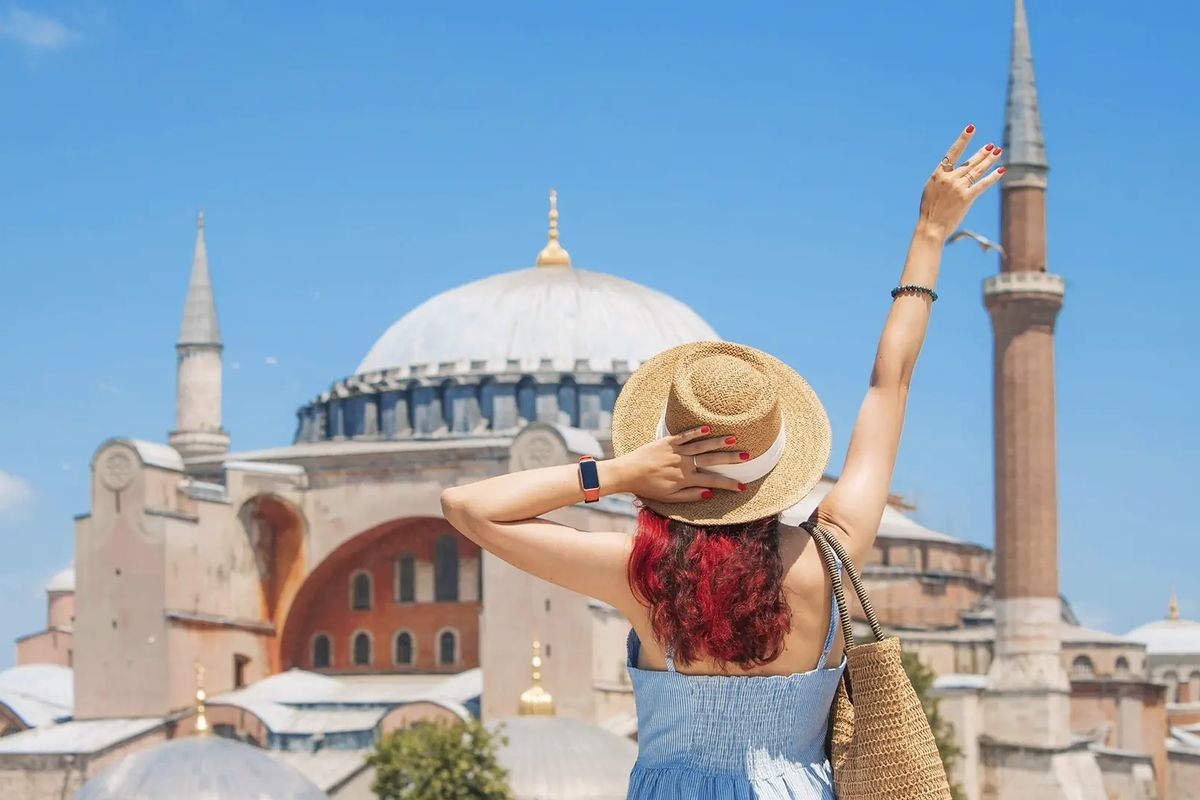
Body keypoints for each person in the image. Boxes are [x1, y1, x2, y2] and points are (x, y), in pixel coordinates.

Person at [441, 125, 1004, 799]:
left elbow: (466, 507)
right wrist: (929, 236)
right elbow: (892, 384)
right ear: (775, 468)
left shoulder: (642, 578)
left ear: (667, 462)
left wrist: (616, 472)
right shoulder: (830, 557)